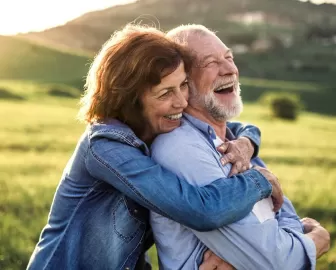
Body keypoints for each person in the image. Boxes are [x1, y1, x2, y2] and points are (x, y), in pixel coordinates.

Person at [26, 24, 285, 270]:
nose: (182, 102)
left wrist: (246, 143)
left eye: (183, 85)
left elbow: (237, 127)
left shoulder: (156, 126)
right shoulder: (105, 147)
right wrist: (258, 180)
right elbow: (200, 210)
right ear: (130, 101)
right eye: (165, 94)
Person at [150, 24, 331, 270]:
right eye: (211, 63)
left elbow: (281, 212)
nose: (230, 69)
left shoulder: (237, 143)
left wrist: (288, 239)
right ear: (183, 82)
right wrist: (315, 240)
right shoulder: (180, 149)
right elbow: (275, 262)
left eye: (229, 57)